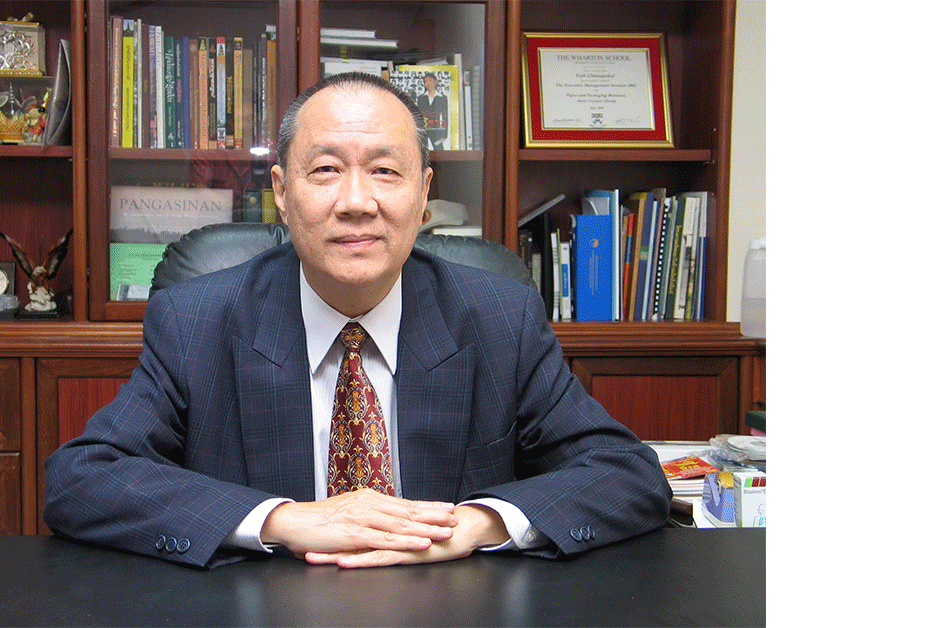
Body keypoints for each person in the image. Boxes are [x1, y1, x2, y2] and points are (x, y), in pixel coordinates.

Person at [43, 72, 670, 570]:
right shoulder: (196, 321)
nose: (355, 202)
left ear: (424, 195)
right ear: (281, 192)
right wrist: (281, 520)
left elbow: (628, 473)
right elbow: (82, 481)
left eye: (385, 171)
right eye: (325, 170)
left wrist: (475, 524)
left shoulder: (500, 318)